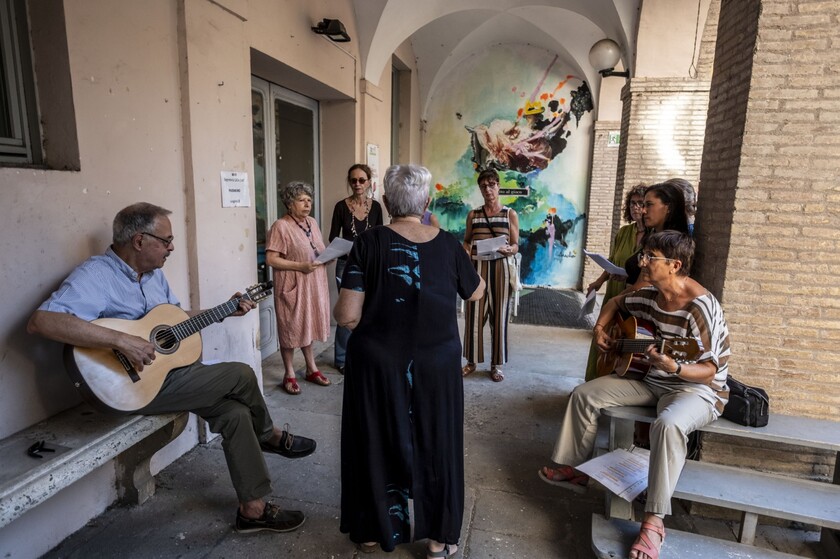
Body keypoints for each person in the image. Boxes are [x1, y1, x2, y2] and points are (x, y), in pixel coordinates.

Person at [26, 202, 316, 534]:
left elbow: (174, 325)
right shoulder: (95, 275)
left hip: (168, 376)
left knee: (235, 414)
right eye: (166, 240)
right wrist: (121, 340)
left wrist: (223, 310)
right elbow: (42, 321)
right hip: (129, 386)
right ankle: (269, 435)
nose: (171, 247)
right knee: (240, 374)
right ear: (139, 241)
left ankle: (253, 510)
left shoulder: (153, 277)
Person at [539, 231, 730, 559]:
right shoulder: (652, 294)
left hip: (697, 388)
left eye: (649, 257)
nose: (642, 262)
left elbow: (710, 370)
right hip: (654, 378)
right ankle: (574, 467)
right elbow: (615, 302)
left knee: (667, 426)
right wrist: (600, 331)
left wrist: (674, 367)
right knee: (585, 394)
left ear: (674, 265)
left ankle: (654, 522)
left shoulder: (700, 307)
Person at [334, 164, 485, 558]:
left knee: (374, 439)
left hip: (378, 364)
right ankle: (438, 538)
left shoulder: (367, 243)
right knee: (438, 442)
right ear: (428, 203)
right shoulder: (450, 244)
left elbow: (347, 316)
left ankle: (372, 531)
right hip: (437, 365)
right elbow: (476, 294)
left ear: (385, 202)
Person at [266, 181, 332, 395]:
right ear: (289, 204)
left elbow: (317, 249)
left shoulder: (311, 222)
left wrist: (328, 257)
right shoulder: (281, 226)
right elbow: (272, 259)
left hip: (312, 283)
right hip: (293, 284)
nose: (307, 204)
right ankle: (289, 373)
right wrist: (300, 266)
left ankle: (311, 368)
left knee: (307, 326)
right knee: (290, 329)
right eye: (301, 200)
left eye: (309, 200)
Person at [583, 184, 647, 381]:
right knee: (602, 334)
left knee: (621, 341)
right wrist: (599, 281)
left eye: (641, 203)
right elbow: (612, 261)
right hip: (614, 291)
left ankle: (609, 383)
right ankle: (591, 382)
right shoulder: (624, 232)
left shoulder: (653, 237)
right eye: (632, 203)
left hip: (633, 294)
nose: (635, 208)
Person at [462, 168, 519, 382]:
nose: (488, 189)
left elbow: (515, 245)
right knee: (474, 314)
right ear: (480, 189)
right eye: (484, 186)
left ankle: (497, 365)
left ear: (498, 186)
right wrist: (466, 250)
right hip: (477, 270)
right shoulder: (474, 215)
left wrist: (509, 250)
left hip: (500, 269)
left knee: (500, 316)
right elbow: (467, 240)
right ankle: (471, 362)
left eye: (492, 184)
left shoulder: (509, 214)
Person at [328, 164, 384, 374]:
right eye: (353, 180)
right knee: (346, 310)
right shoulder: (341, 207)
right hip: (346, 263)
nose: (358, 184)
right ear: (349, 182)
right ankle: (342, 358)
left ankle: (366, 352)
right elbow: (333, 236)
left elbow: (380, 234)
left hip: (371, 264)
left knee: (370, 308)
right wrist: (347, 247)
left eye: (362, 180)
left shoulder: (377, 207)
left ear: (369, 181)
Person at [623, 182, 689, 289]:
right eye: (644, 205)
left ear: (669, 208)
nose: (643, 211)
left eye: (649, 204)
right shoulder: (652, 235)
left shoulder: (673, 243)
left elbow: (644, 285)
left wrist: (616, 301)